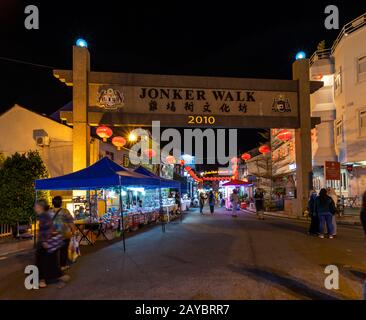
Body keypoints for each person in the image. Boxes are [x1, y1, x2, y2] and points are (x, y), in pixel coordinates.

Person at [35, 199, 69, 288]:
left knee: (42, 261)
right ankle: (59, 276)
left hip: (45, 242)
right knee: (51, 260)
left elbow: (46, 229)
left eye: (36, 206)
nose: (35, 208)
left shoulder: (44, 216)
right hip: (51, 241)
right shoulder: (48, 214)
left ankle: (43, 280)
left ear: (40, 207)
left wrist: (44, 241)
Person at [51, 196, 75, 272]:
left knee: (54, 250)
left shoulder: (49, 212)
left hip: (53, 234)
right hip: (65, 234)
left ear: (53, 203)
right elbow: (71, 222)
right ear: (61, 203)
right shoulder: (65, 211)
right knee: (63, 250)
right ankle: (62, 265)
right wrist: (74, 231)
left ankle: (53, 265)